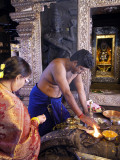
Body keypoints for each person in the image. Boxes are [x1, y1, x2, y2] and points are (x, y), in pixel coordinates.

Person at [28, 49, 99, 136]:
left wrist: (86, 112)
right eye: (81, 69)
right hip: (40, 99)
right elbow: (66, 93)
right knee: (41, 130)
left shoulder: (76, 71)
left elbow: (81, 91)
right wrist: (81, 116)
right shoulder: (58, 65)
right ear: (75, 62)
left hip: (55, 100)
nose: (81, 72)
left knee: (65, 124)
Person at [0, 56, 46, 160]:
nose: (24, 83)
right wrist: (36, 121)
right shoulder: (12, 103)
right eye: (25, 80)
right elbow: (23, 142)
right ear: (18, 77)